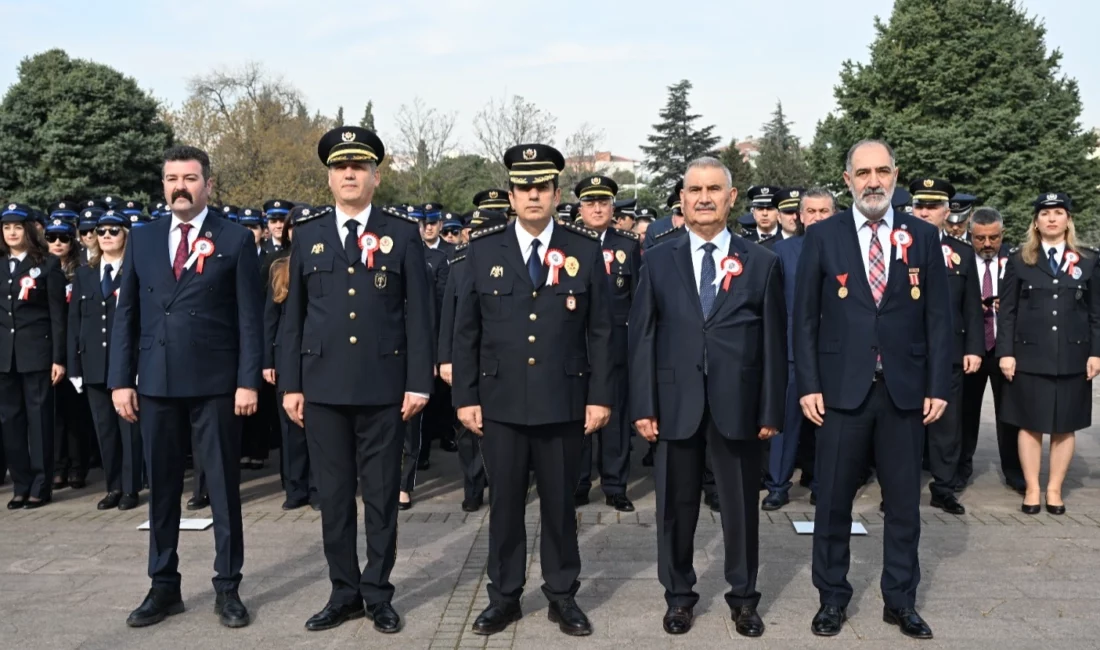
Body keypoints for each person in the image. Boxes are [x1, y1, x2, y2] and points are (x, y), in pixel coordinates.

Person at [452, 143, 613, 637]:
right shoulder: (482, 251)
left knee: (561, 505)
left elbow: (603, 330)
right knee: (504, 506)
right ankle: (503, 597)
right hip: (500, 405)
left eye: (542, 187)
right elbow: (467, 332)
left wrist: (600, 396)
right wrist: (465, 397)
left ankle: (562, 595)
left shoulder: (585, 250)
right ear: (511, 194)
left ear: (557, 193)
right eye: (524, 188)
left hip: (563, 401)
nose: (533, 195)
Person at [794, 140, 951, 640]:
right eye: (863, 172)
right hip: (841, 393)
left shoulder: (922, 235)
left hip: (905, 392)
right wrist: (809, 384)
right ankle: (831, 598)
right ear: (847, 181)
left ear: (895, 174)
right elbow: (805, 320)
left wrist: (938, 384)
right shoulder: (825, 236)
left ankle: (900, 600)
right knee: (834, 501)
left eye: (882, 170)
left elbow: (940, 319)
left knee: (904, 504)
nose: (873, 181)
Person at [280, 126, 433, 634]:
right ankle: (343, 591)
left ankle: (378, 592)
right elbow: (294, 317)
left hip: (384, 386)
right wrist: (291, 385)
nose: (350, 174)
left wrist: (418, 382)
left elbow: (419, 315)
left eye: (360, 166)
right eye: (341, 167)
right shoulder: (308, 234)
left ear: (375, 176)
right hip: (322, 388)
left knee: (383, 496)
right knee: (334, 495)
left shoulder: (403, 233)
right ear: (329, 178)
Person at [629, 156, 784, 637]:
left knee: (740, 509)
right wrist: (644, 405)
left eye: (714, 188)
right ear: (682, 199)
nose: (703, 197)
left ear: (731, 197)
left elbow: (774, 344)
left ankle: (743, 598)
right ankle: (678, 597)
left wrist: (770, 408)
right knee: (675, 509)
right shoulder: (657, 259)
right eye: (694, 189)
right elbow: (642, 339)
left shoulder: (762, 262)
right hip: (675, 406)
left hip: (738, 407)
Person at [111, 145, 263, 629]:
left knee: (221, 487)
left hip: (216, 383)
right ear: (163, 185)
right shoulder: (143, 237)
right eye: (172, 178)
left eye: (190, 178)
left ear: (207, 185)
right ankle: (163, 586)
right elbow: (127, 315)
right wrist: (120, 380)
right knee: (162, 489)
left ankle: (227, 586)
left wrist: (247, 381)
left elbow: (249, 320)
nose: (181, 186)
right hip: (155, 381)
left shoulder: (235, 239)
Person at [997, 192, 1099, 516]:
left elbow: (1096, 313)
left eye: (1058, 213)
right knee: (1029, 425)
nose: (1052, 218)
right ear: (1036, 223)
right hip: (1029, 357)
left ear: (1068, 219)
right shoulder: (1019, 260)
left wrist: (1096, 353)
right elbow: (1008, 312)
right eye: (1045, 214)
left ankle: (1054, 488)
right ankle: (1032, 487)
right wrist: (1005, 353)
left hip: (1072, 356)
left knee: (1064, 425)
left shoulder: (1088, 260)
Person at [908, 177, 983, 516]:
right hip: (904, 353)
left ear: (946, 211)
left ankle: (943, 487)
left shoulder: (962, 254)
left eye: (933, 206)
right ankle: (901, 488)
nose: (925, 212)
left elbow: (971, 306)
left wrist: (974, 348)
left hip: (948, 353)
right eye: (920, 205)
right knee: (905, 425)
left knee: (946, 425)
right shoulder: (895, 246)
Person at [763, 188, 836, 511]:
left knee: (828, 427)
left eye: (824, 212)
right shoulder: (781, 252)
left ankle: (823, 484)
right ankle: (778, 485)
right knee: (785, 425)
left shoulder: (847, 251)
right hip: (791, 354)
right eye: (811, 212)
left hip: (834, 355)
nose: (817, 218)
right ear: (800, 216)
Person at [573, 175, 639, 512]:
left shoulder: (628, 246)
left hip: (616, 347)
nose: (597, 208)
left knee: (614, 418)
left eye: (603, 202)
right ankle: (580, 483)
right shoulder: (567, 244)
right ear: (579, 207)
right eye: (590, 202)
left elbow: (639, 301)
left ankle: (615, 485)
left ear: (613, 206)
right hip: (575, 347)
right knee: (577, 417)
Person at [68, 210, 142, 511]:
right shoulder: (86, 273)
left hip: (125, 363)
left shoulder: (135, 271)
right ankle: (113, 486)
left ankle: (131, 488)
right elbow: (75, 322)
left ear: (126, 234)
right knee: (105, 429)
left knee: (129, 427)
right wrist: (74, 365)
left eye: (114, 230)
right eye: (101, 232)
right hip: (94, 362)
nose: (107, 236)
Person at [437, 209, 508, 513]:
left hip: (501, 357)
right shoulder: (460, 263)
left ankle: (502, 482)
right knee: (467, 428)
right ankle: (473, 486)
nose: (478, 236)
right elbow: (450, 317)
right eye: (474, 230)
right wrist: (445, 359)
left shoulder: (512, 260)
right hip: (467, 356)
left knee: (500, 427)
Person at [0, 204, 67, 510]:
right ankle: (21, 484)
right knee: (10, 421)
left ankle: (41, 485)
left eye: (17, 227)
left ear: (29, 230)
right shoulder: (0, 264)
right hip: (5, 357)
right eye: (6, 227)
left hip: (37, 354)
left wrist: (58, 357)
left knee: (39, 421)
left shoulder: (48, 264)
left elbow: (57, 315)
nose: (11, 233)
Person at [959, 207, 1022, 492]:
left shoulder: (1018, 260)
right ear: (970, 235)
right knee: (965, 414)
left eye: (994, 238)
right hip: (971, 348)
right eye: (980, 238)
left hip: (1004, 348)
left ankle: (1014, 471)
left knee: (1009, 414)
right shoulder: (959, 260)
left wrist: (1010, 306)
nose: (987, 244)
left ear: (1002, 234)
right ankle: (960, 469)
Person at [263, 204, 315, 510]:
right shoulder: (277, 265)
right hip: (285, 354)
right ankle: (295, 489)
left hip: (319, 354)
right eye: (295, 226)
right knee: (290, 427)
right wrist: (267, 360)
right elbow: (269, 317)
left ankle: (319, 488)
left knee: (318, 426)